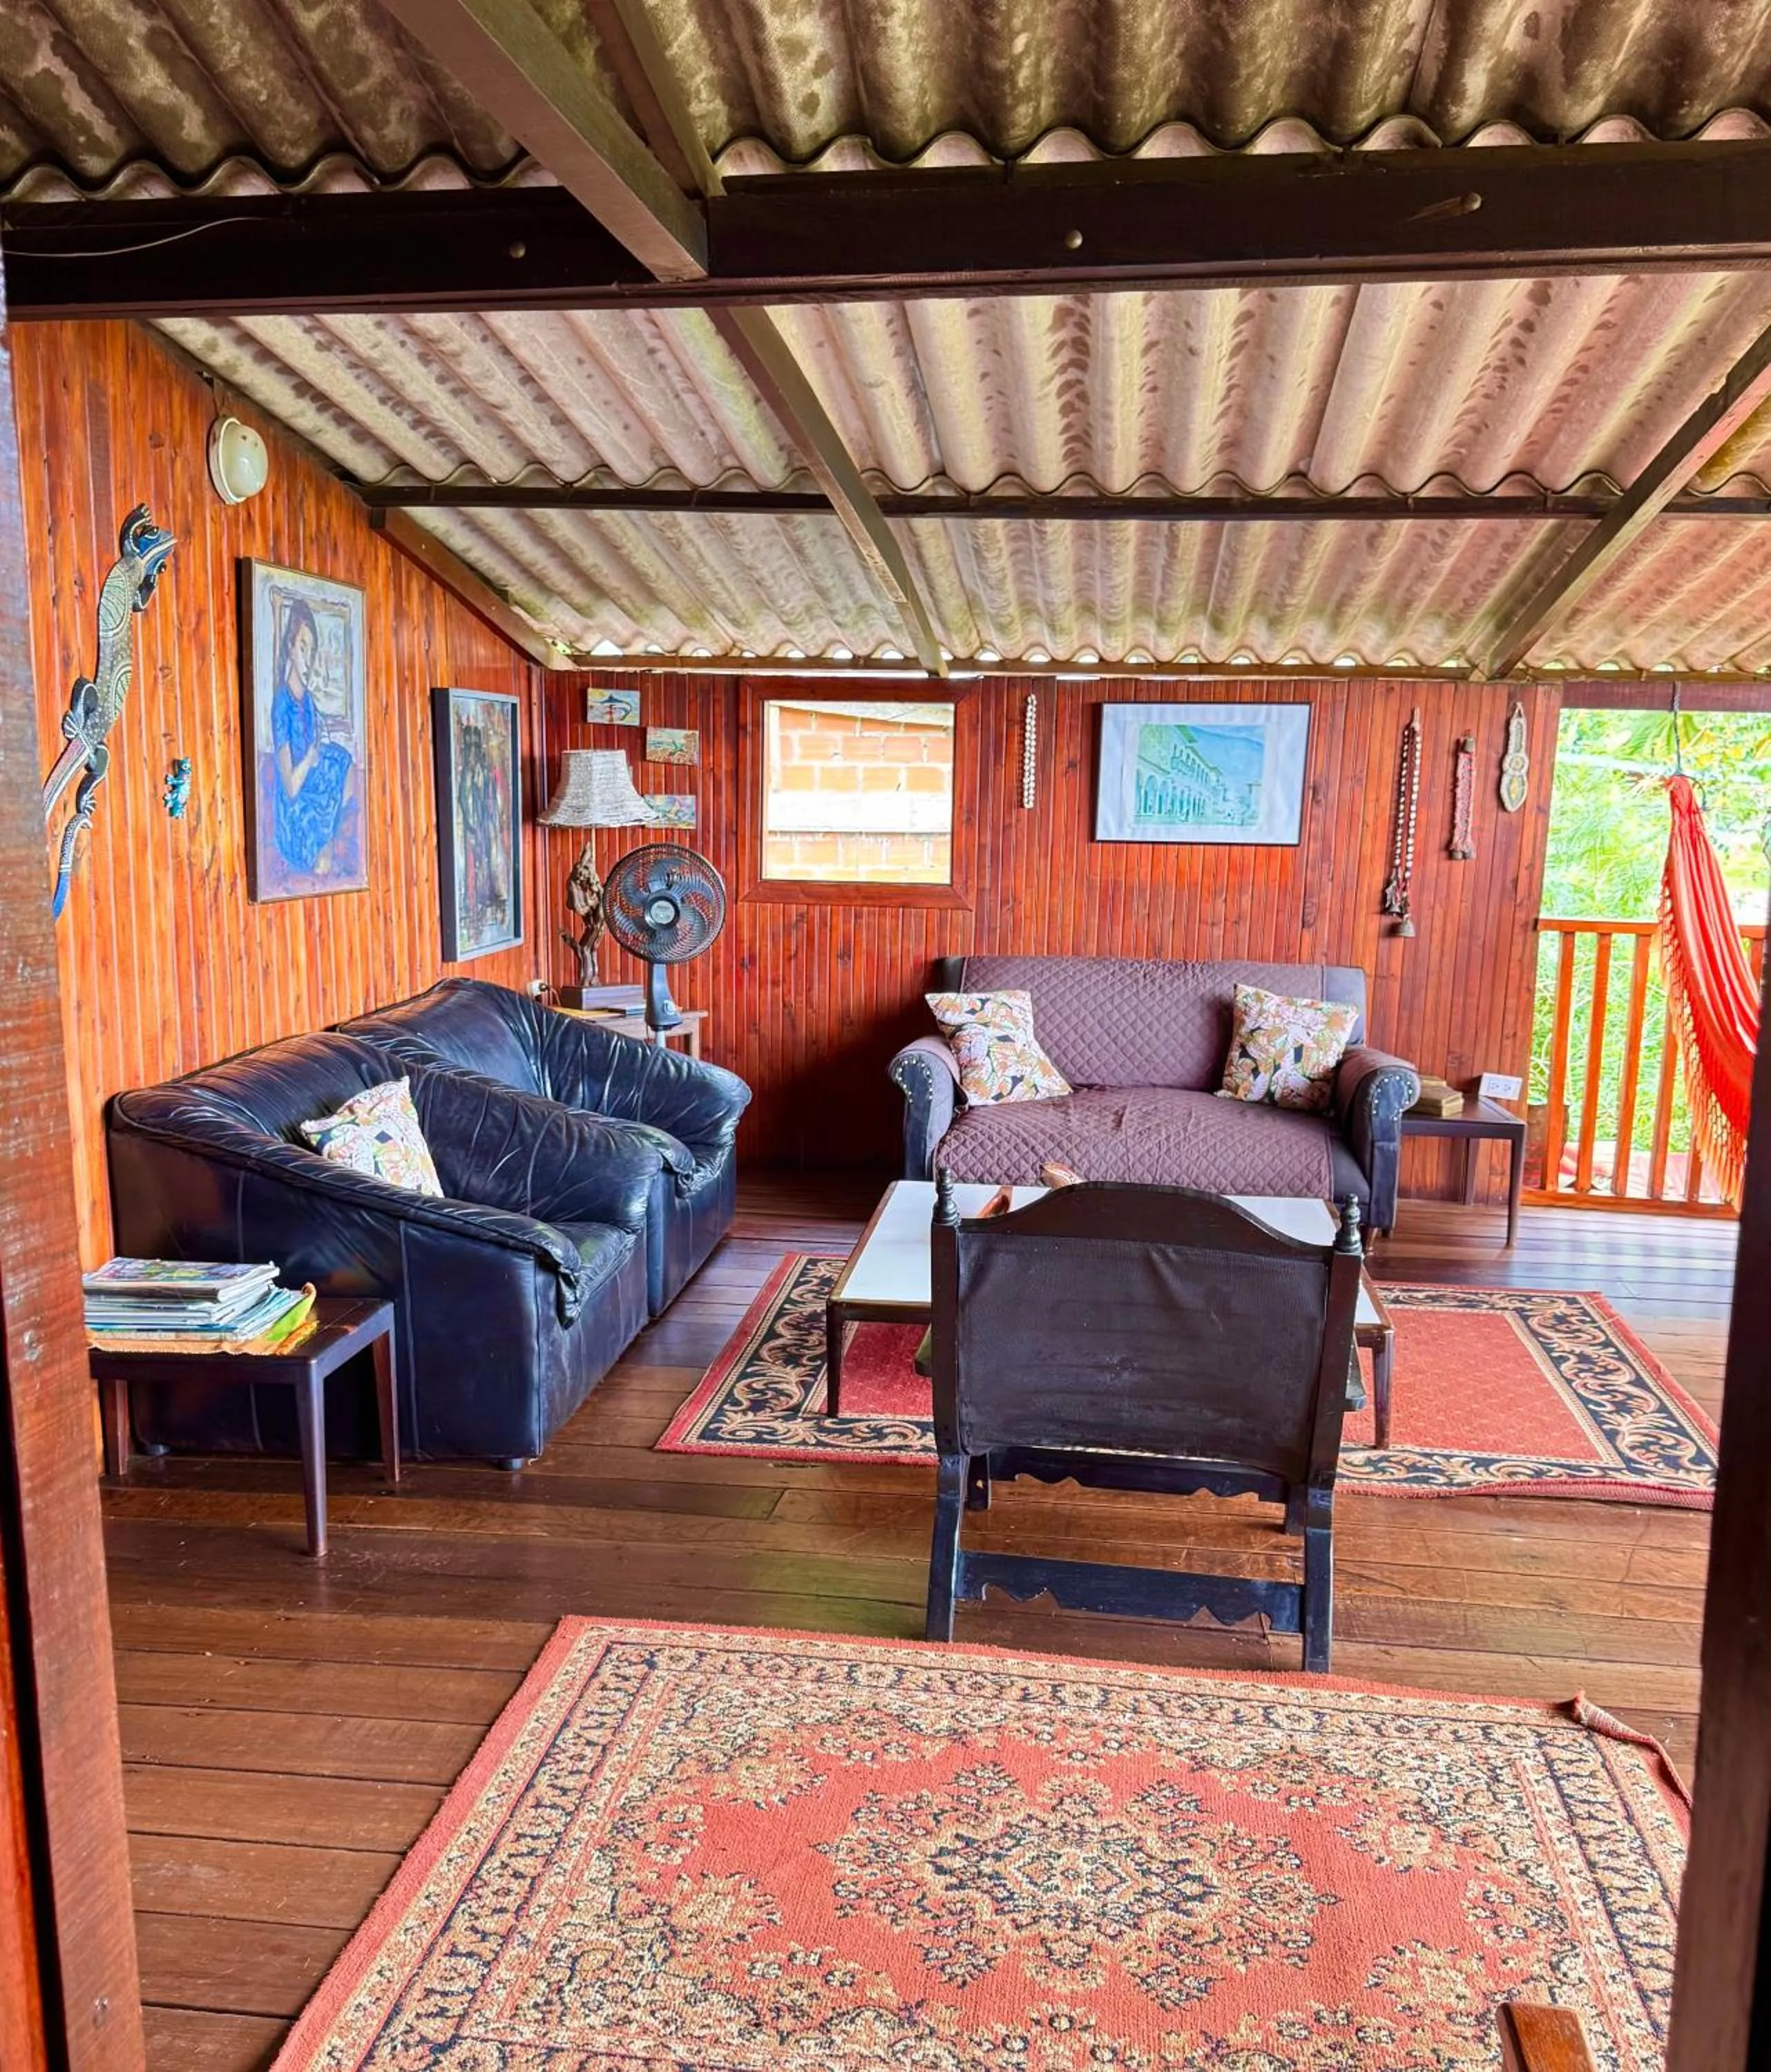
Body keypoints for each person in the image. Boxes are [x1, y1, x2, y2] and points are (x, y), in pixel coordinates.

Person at [270, 599, 354, 877]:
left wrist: (320, 752)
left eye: (312, 650)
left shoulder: (307, 701)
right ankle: (321, 845)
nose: (308, 658)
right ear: (290, 649)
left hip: (310, 785)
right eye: (303, 647)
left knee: (344, 762)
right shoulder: (282, 703)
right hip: (293, 808)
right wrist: (310, 758)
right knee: (319, 861)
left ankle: (326, 841)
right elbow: (291, 788)